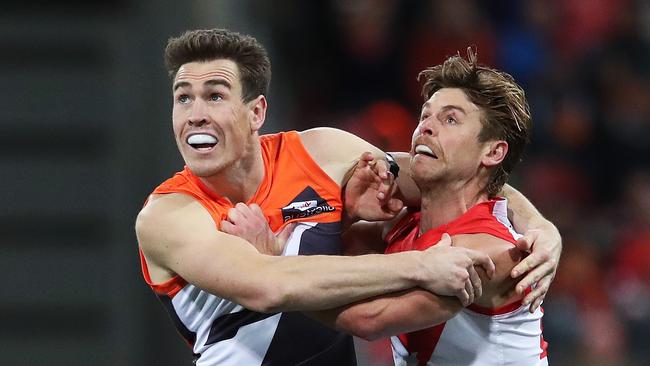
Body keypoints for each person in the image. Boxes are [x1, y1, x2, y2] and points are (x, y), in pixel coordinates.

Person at [135, 29, 560, 365]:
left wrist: (540, 226)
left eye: (214, 95)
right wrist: (409, 257)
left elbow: (459, 177)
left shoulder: (324, 154)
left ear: (256, 112)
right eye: (182, 98)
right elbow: (268, 287)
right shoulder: (170, 215)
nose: (195, 114)